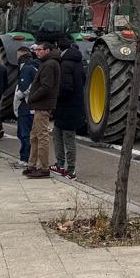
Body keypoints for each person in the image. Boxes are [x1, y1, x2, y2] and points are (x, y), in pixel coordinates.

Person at [22, 38, 60, 179]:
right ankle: (32, 165)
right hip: (40, 105)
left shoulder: (49, 64)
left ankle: (44, 168)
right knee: (35, 135)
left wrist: (32, 98)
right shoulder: (47, 63)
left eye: (40, 50)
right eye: (36, 49)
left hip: (43, 105)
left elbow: (46, 86)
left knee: (42, 136)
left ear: (47, 51)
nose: (36, 52)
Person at [52, 35, 85, 178]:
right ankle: (59, 164)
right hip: (75, 104)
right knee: (57, 134)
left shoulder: (65, 64)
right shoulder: (78, 62)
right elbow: (83, 80)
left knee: (68, 138)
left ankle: (70, 169)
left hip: (66, 106)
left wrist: (55, 97)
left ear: (59, 48)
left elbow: (65, 87)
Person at [12, 45, 38, 166]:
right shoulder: (35, 66)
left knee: (24, 134)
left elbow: (24, 88)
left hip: (26, 107)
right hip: (32, 106)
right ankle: (28, 158)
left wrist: (17, 96)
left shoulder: (26, 69)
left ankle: (25, 159)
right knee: (26, 134)